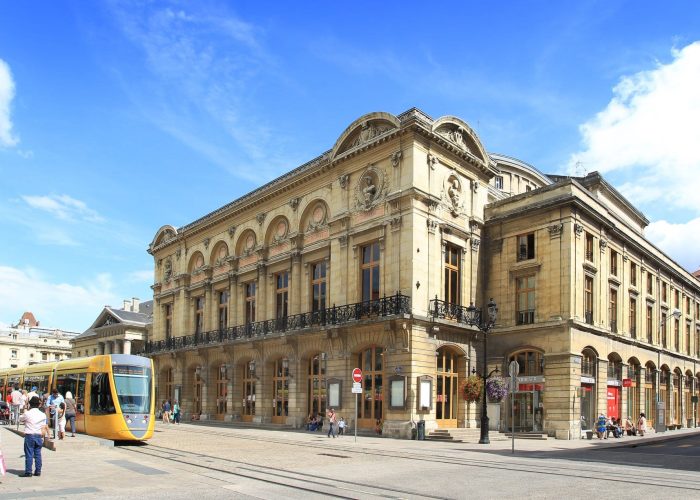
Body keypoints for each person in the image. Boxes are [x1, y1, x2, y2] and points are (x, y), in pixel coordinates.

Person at [20, 396, 49, 477]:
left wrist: (25, 410)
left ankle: (28, 472)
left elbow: (20, 419)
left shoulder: (27, 413)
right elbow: (43, 426)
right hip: (38, 435)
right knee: (38, 454)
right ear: (38, 405)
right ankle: (38, 471)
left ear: (30, 404)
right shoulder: (42, 414)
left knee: (29, 454)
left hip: (29, 435)